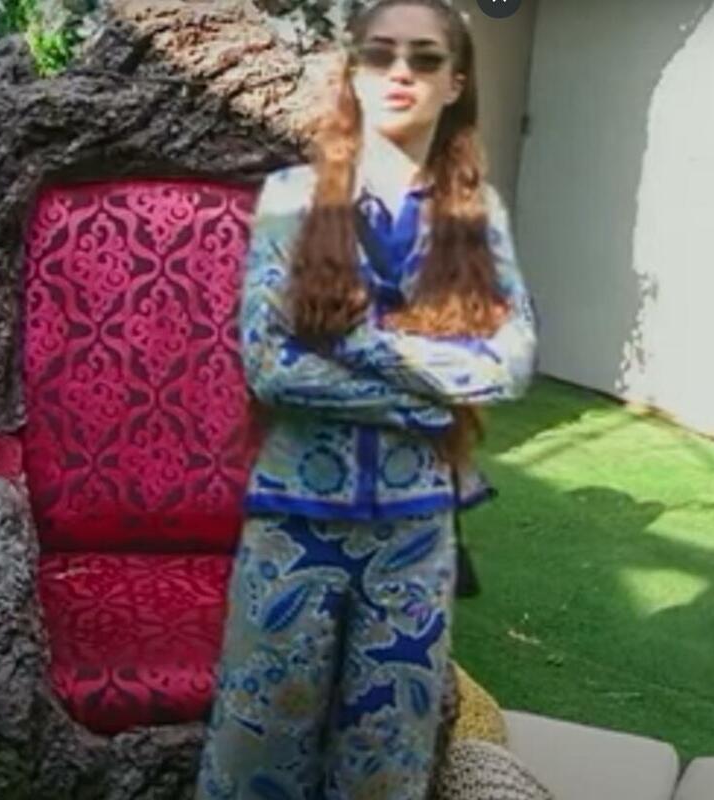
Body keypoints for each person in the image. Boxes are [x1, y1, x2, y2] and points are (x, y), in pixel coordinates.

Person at [196, 1, 537, 797]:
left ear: (456, 82)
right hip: (294, 524)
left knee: (385, 766)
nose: (401, 72)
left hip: (414, 536)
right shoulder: (291, 198)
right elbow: (272, 368)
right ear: (353, 72)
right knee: (255, 756)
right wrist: (416, 401)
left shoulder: (476, 216)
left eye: (425, 58)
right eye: (381, 54)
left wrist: (360, 347)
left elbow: (510, 364)